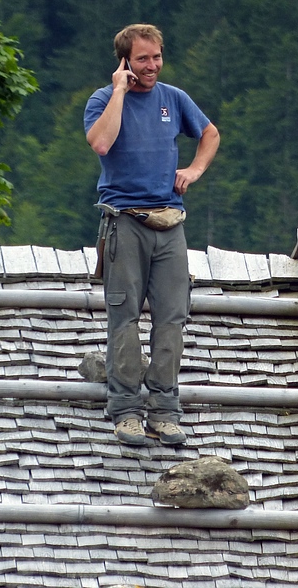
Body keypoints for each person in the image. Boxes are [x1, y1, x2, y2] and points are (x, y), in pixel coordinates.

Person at [83, 24, 219, 447]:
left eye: (157, 57)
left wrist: (194, 171)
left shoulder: (174, 99)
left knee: (172, 316)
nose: (152, 66)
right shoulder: (103, 101)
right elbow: (101, 144)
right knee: (124, 318)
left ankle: (164, 410)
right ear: (124, 61)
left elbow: (210, 134)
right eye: (143, 59)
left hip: (169, 223)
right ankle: (125, 411)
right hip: (124, 221)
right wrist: (120, 92)